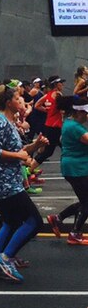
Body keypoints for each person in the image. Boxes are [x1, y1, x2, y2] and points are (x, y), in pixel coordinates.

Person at [0, 85, 48, 283]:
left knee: (11, 221)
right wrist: (18, 155)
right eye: (18, 98)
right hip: (3, 182)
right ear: (9, 102)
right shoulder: (0, 122)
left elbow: (17, 150)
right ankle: (5, 258)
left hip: (7, 179)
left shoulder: (10, 122)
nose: (22, 101)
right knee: (35, 221)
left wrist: (35, 146)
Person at [46, 96, 88, 245]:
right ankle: (74, 233)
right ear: (78, 112)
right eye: (85, 113)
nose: (86, 116)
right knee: (86, 202)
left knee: (84, 201)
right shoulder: (74, 127)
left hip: (77, 167)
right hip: (77, 168)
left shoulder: (70, 123)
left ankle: (58, 219)